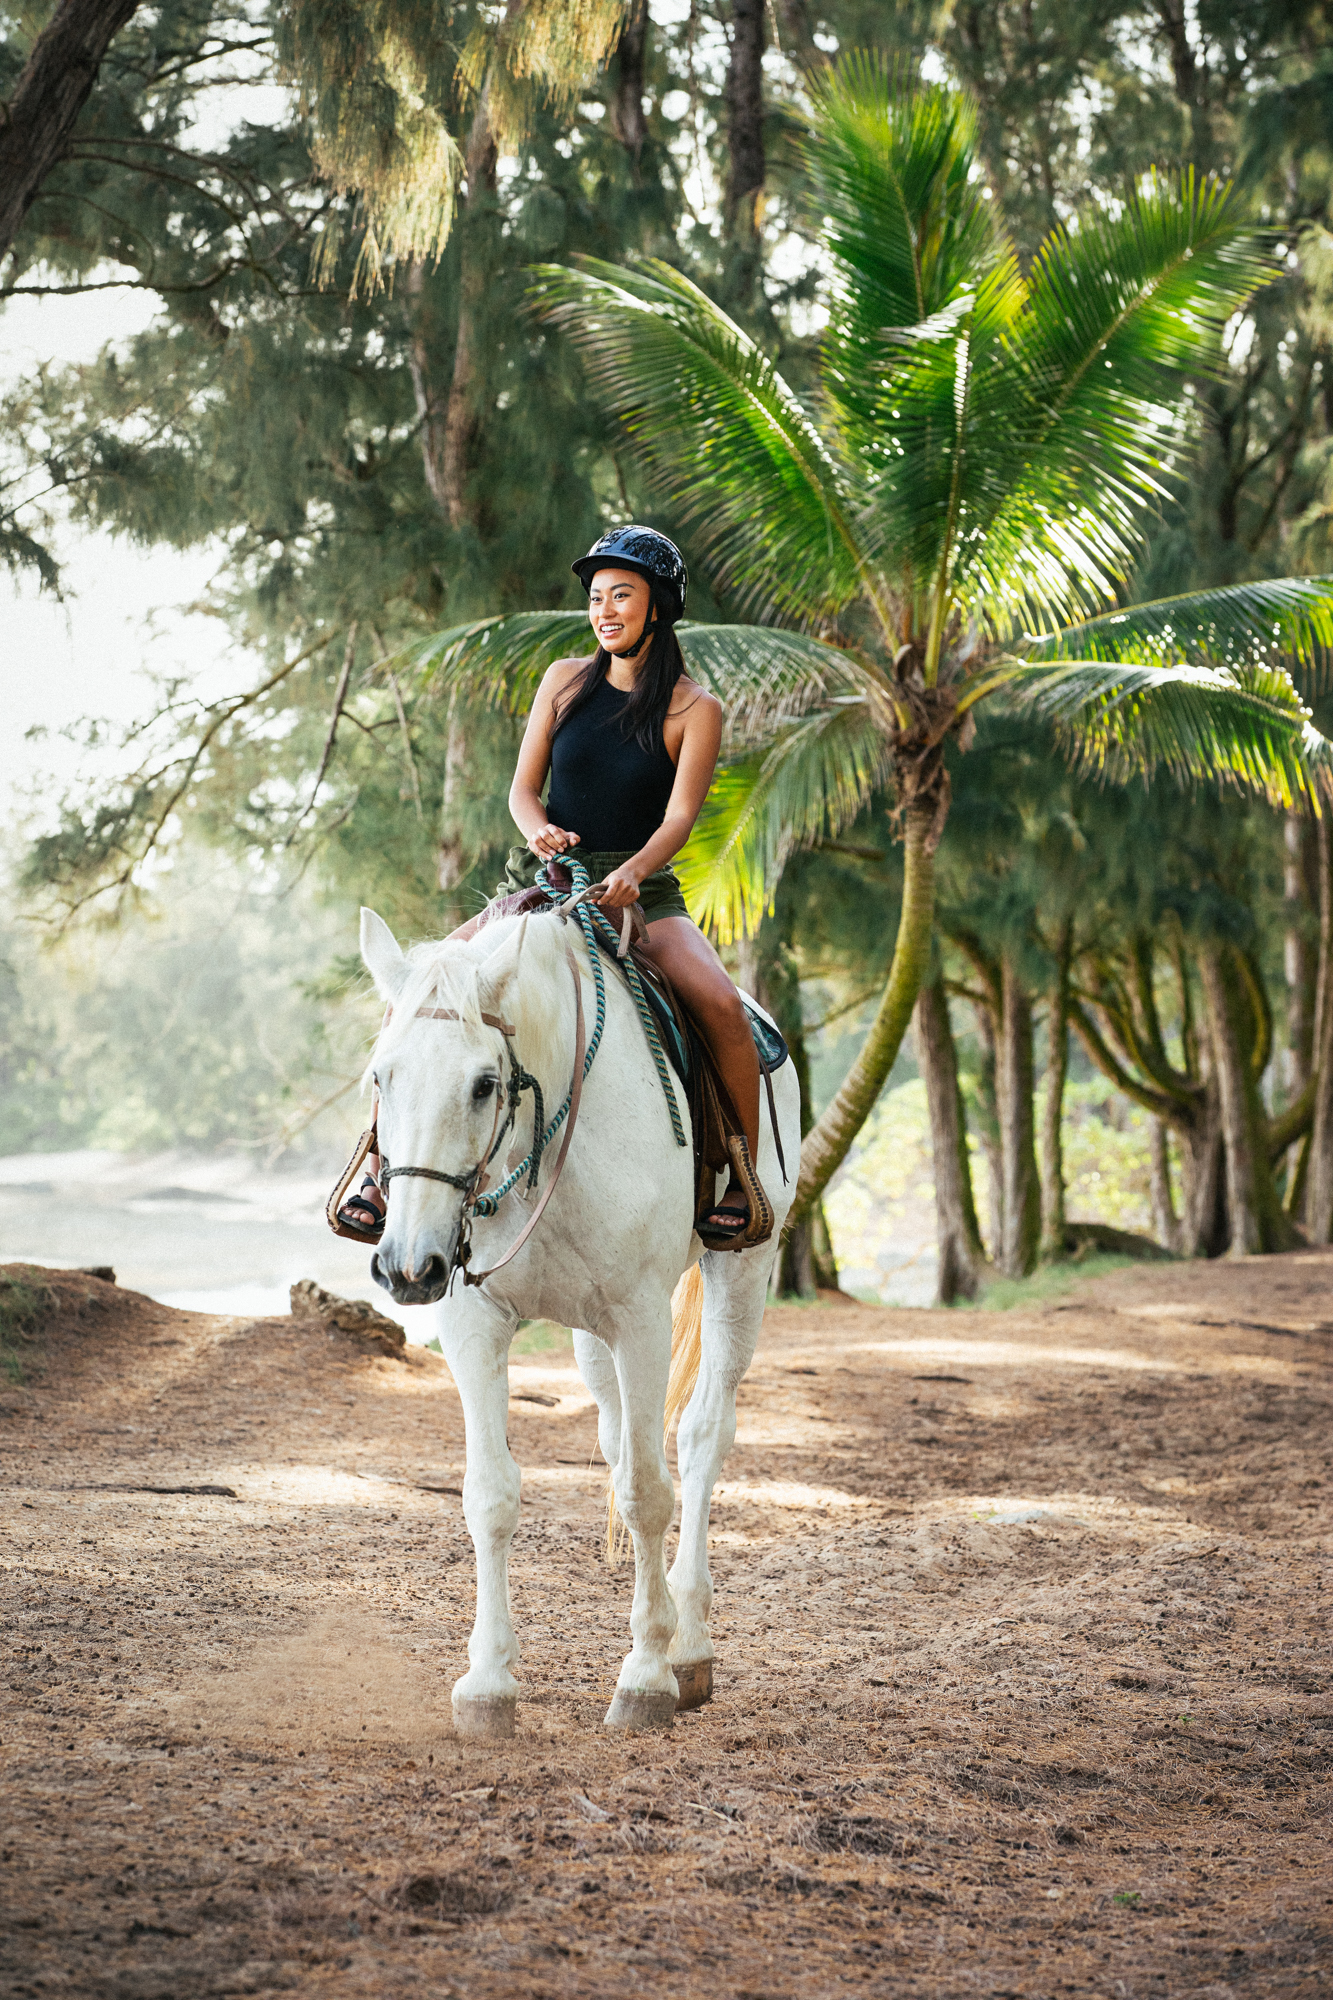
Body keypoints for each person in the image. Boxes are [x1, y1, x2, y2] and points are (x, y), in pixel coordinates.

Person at [338, 525, 766, 1249]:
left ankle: (739, 1179)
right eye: (596, 598)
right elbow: (520, 791)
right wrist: (536, 827)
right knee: (419, 988)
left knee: (723, 1006)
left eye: (621, 596)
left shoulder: (697, 708)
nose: (604, 611)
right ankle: (378, 1167)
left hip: (640, 891)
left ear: (658, 607)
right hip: (542, 881)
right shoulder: (563, 680)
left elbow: (681, 817)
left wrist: (633, 871)